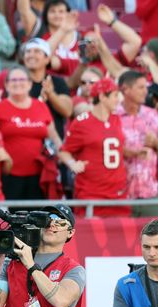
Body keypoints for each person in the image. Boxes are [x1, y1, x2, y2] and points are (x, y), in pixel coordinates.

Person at [58, 78, 127, 217]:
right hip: (92, 192)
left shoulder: (117, 119)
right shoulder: (82, 122)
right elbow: (64, 152)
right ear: (102, 96)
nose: (118, 100)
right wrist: (72, 163)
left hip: (117, 192)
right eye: (114, 95)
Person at [0, 66, 62, 201]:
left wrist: (67, 159)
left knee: (36, 219)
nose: (18, 83)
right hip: (9, 176)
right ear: (6, 85)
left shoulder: (40, 106)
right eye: (13, 80)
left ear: (30, 84)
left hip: (38, 176)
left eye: (22, 79)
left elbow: (54, 138)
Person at [115, 70, 158, 217]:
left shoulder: (153, 115)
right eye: (141, 87)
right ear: (126, 89)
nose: (146, 92)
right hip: (120, 196)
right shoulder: (112, 115)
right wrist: (124, 150)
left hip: (151, 193)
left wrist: (155, 143)